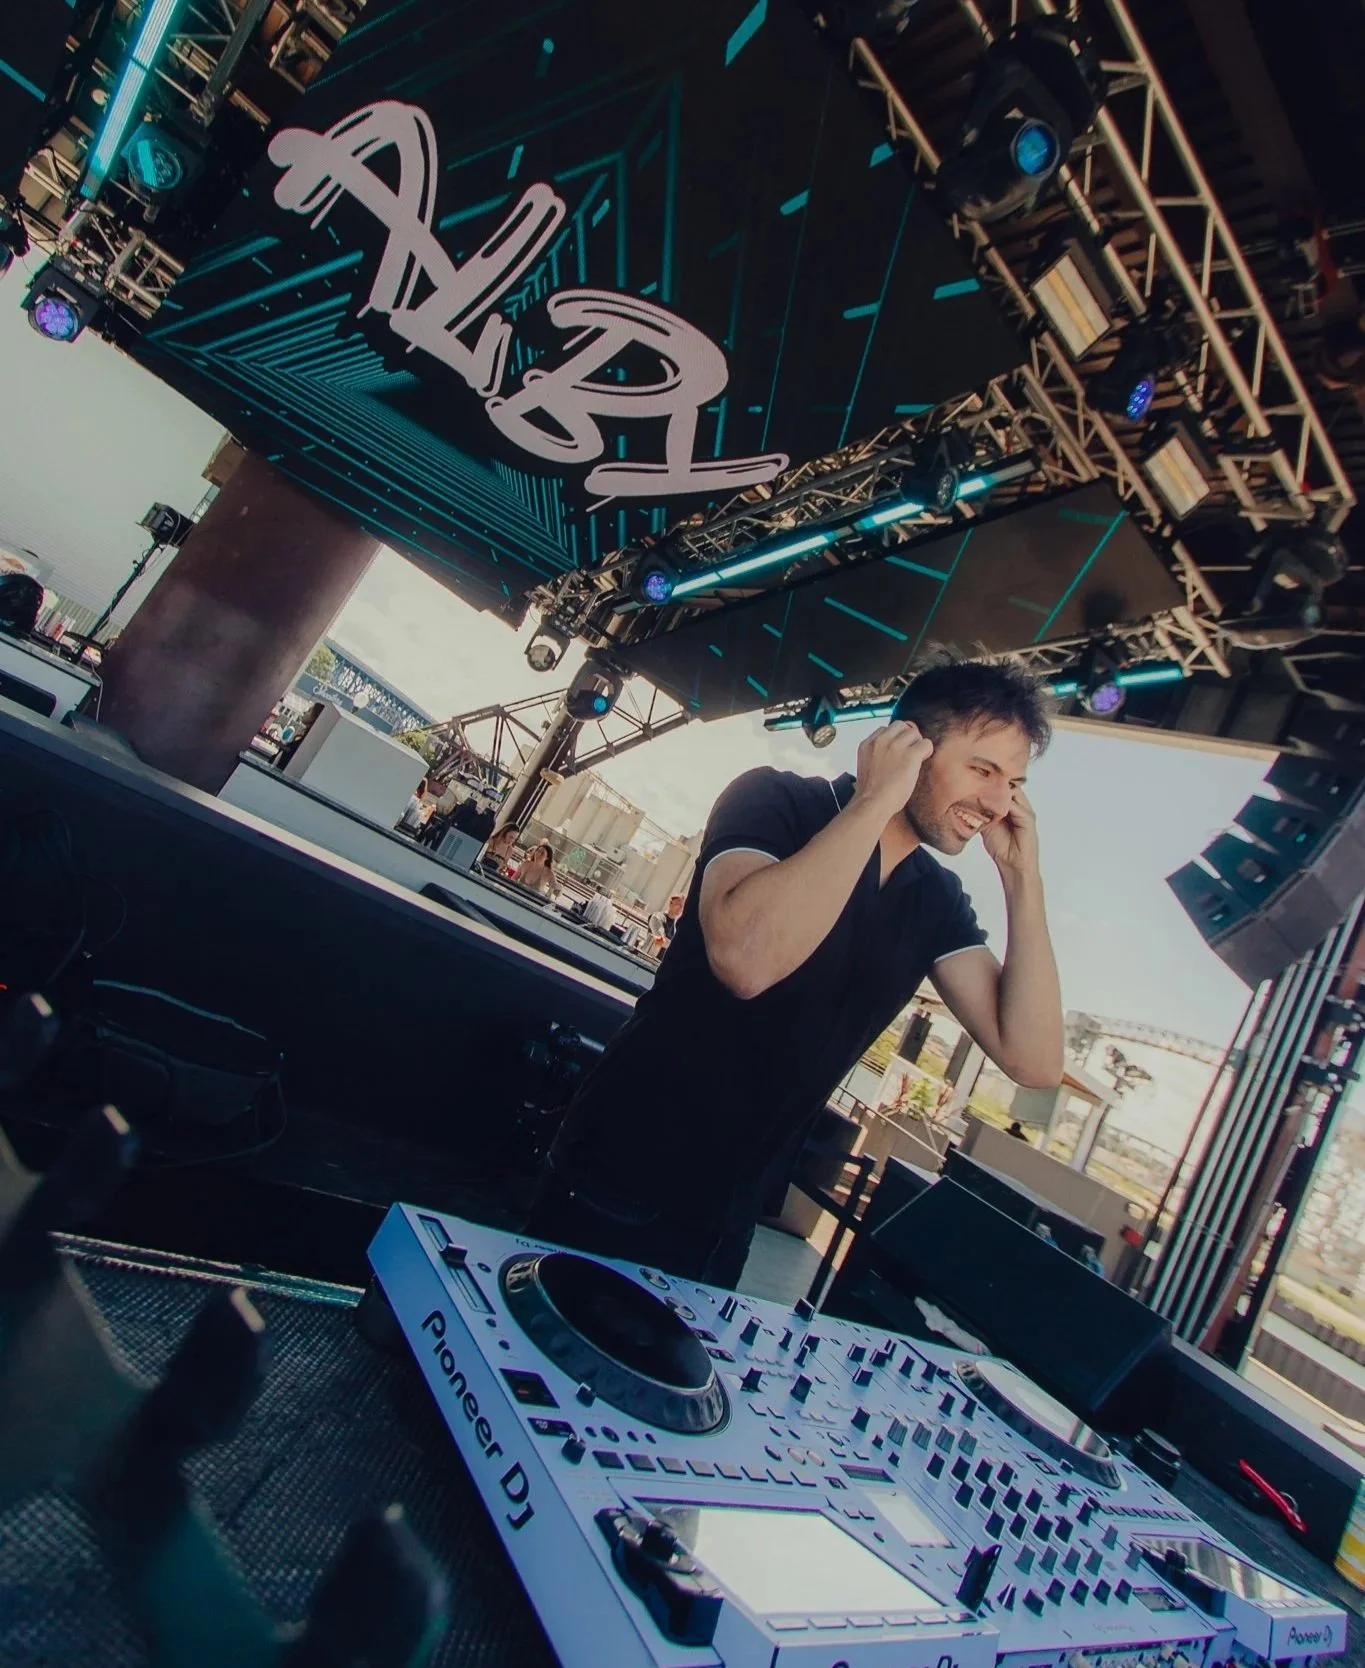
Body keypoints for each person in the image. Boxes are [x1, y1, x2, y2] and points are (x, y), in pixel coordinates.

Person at [525, 655, 1064, 1286]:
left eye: (1015, 784)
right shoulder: (777, 798)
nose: (999, 802)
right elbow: (745, 962)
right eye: (984, 769)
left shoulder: (937, 900)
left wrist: (1023, 881)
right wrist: (873, 803)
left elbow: (1035, 1061)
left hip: (729, 1217)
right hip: (618, 1168)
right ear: (909, 747)